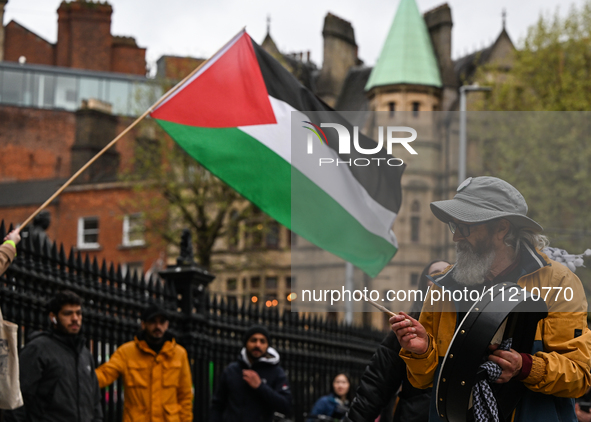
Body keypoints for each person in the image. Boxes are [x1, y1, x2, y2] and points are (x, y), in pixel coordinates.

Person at [390, 176, 591, 422]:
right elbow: (422, 380)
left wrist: (525, 367)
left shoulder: (559, 282)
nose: (456, 238)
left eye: (464, 227)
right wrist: (421, 352)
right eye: (454, 227)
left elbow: (580, 376)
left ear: (501, 228)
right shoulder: (442, 287)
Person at [346, 261, 450, 422]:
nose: (443, 276)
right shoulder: (405, 331)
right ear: (424, 286)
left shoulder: (469, 328)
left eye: (450, 272)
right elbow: (375, 388)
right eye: (436, 273)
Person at [5, 290, 103, 422]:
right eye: (68, 313)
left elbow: (95, 402)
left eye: (78, 313)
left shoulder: (85, 354)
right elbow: (17, 399)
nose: (75, 318)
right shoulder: (38, 349)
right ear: (53, 317)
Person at [95, 304, 193, 422]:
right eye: (153, 322)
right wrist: (80, 378)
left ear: (167, 325)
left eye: (162, 322)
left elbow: (185, 396)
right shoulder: (127, 352)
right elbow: (105, 374)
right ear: (143, 324)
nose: (158, 326)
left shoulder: (179, 354)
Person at [210, 324, 292, 422]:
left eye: (262, 341)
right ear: (246, 343)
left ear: (267, 346)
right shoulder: (231, 370)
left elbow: (286, 405)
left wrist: (260, 386)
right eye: (253, 340)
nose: (258, 345)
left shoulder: (276, 372)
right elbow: (217, 405)